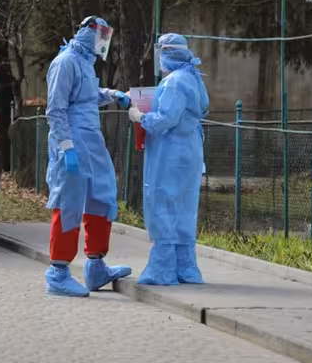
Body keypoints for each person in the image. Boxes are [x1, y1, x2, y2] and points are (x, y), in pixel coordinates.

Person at [44, 16, 132, 297]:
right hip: (72, 141)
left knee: (102, 195)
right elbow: (56, 109)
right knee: (69, 203)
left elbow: (87, 96)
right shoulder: (65, 62)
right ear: (88, 33)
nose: (103, 42)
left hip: (92, 141)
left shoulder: (84, 63)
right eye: (100, 36)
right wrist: (66, 147)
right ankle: (58, 273)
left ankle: (96, 266)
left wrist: (113, 95)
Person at [128, 33, 209, 285]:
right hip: (190, 151)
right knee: (184, 208)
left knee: (163, 204)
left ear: (166, 54)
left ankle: (162, 270)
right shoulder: (193, 78)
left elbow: (165, 119)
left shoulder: (174, 81)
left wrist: (140, 117)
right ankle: (186, 268)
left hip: (170, 154)